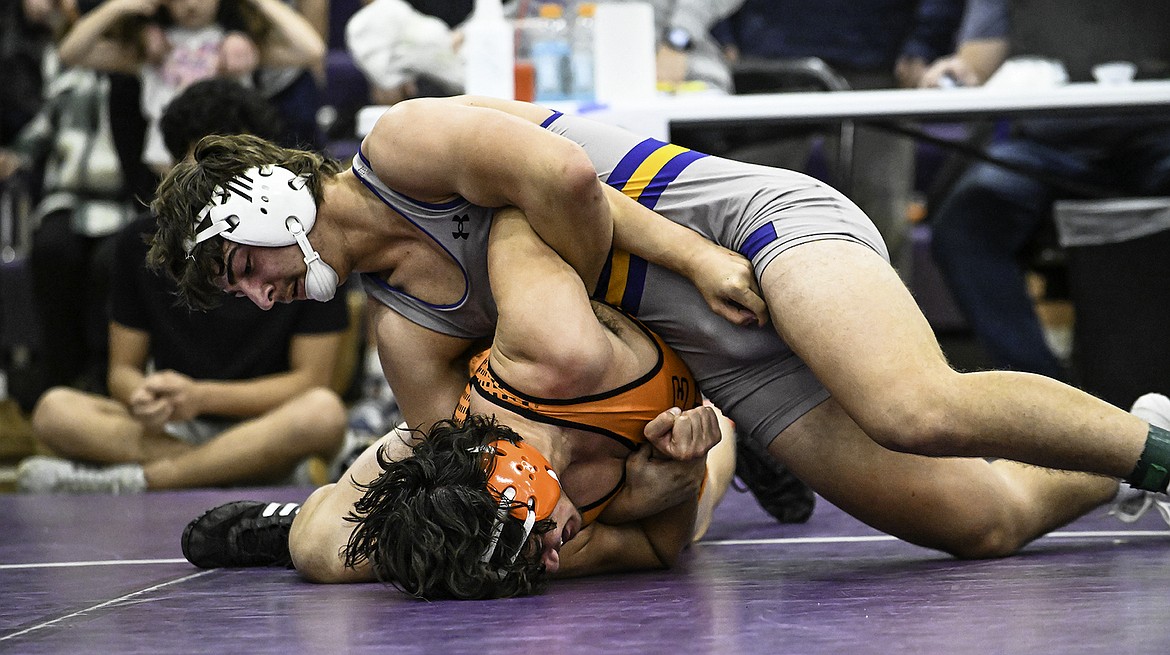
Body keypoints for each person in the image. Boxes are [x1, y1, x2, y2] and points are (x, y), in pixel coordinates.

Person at [148, 94, 1170, 568]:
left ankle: (1165, 456)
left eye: (240, 267)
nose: (254, 297)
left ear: (264, 205)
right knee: (975, 522)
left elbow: (564, 180)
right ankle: (1128, 450)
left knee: (911, 406)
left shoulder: (400, 147)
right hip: (700, 360)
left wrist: (689, 261)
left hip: (741, 239)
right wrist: (652, 464)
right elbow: (485, 463)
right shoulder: (404, 333)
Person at [182, 205, 737, 598]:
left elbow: (519, 201)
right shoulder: (542, 519)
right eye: (536, 553)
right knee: (320, 554)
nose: (553, 560)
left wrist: (695, 259)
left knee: (711, 453)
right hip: (466, 453)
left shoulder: (557, 348)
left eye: (537, 540)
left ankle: (738, 437)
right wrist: (664, 489)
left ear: (531, 480)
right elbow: (657, 549)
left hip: (588, 381)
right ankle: (305, 522)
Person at [18, 78, 350, 493]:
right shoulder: (143, 244)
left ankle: (147, 481)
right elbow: (123, 370)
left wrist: (201, 396)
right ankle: (243, 471)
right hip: (177, 429)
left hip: (269, 424)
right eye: (204, 165)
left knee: (322, 414)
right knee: (55, 410)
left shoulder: (300, 239)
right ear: (179, 168)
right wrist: (148, 396)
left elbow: (312, 383)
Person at [921, 0, 1170, 382]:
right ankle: (1039, 385)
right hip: (1044, 148)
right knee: (966, 223)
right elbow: (975, 63)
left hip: (1157, 141)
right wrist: (958, 71)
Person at [713, 0, 963, 272]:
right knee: (750, 213)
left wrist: (924, 44)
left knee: (883, 217)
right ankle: (750, 311)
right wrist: (721, 33)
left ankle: (884, 312)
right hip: (770, 60)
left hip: (875, 60)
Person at [56, 0, 325, 176]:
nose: (190, 3)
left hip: (234, 166)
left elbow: (313, 49)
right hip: (169, 171)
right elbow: (70, 53)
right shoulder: (149, 48)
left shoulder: (239, 45)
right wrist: (120, 6)